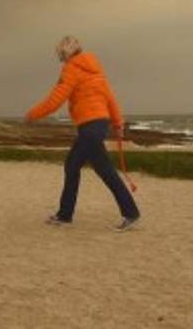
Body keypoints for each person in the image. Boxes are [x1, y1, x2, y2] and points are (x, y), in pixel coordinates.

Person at [25, 36, 141, 231]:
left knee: (102, 170)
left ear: (66, 53)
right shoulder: (96, 70)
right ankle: (65, 214)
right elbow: (110, 99)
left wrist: (32, 115)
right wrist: (118, 122)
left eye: (61, 55)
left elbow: (55, 100)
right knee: (73, 165)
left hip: (90, 127)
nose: (61, 60)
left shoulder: (72, 69)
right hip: (98, 125)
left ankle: (130, 213)